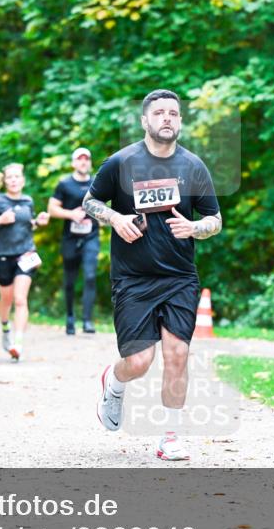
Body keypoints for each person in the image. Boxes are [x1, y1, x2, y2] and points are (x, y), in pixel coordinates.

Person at [83, 89, 222, 461]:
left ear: (180, 121)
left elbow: (215, 219)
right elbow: (90, 201)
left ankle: (170, 436)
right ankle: (113, 382)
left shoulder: (193, 166)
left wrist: (195, 228)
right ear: (145, 121)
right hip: (133, 279)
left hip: (179, 277)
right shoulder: (121, 162)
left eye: (173, 113)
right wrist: (115, 218)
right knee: (140, 362)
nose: (167, 118)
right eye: (159, 113)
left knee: (177, 354)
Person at [0, 163, 50, 361]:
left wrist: (38, 222)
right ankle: (6, 327)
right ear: (5, 181)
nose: (14, 180)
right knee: (6, 300)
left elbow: (27, 224)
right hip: (3, 256)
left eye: (17, 177)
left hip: (25, 255)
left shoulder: (28, 200)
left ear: (23, 180)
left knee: (20, 299)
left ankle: (18, 343)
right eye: (10, 177)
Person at [48, 147, 99, 335]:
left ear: (90, 163)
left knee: (90, 276)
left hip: (91, 237)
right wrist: (71, 214)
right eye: (80, 159)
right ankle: (70, 318)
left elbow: (106, 205)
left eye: (87, 159)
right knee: (69, 280)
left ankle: (87, 321)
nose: (83, 162)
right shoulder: (64, 184)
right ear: (73, 163)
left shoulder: (97, 183)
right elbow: (52, 208)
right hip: (70, 238)